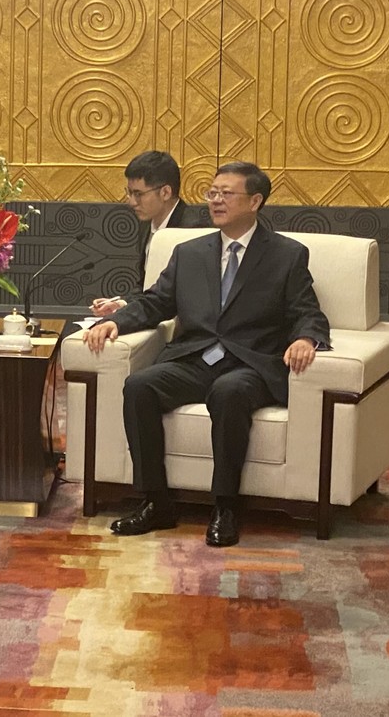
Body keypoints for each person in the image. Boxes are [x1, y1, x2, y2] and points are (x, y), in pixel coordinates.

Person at [83, 161, 330, 547]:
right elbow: (156, 302)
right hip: (196, 358)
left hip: (250, 364)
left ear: (255, 201)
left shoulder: (286, 255)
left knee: (229, 392)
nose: (215, 200)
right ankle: (156, 501)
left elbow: (307, 311)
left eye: (226, 193)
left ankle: (225, 505)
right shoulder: (189, 252)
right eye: (212, 192)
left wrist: (307, 339)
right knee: (140, 385)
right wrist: (120, 322)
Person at [92, 150, 200, 318]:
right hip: (149, 315)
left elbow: (183, 296)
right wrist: (121, 304)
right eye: (129, 192)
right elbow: (146, 286)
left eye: (138, 194)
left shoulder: (193, 231)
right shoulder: (146, 225)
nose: (131, 202)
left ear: (165, 192)